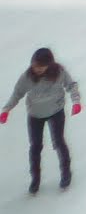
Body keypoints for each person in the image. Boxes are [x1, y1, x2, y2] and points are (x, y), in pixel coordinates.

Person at [2, 48, 81, 194]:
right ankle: (35, 179)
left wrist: (76, 101)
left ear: (49, 65)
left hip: (56, 111)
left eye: (40, 66)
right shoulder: (27, 77)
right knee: (35, 147)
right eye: (34, 65)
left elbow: (71, 85)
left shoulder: (59, 73)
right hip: (35, 115)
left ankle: (66, 173)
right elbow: (17, 93)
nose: (36, 68)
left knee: (58, 141)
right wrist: (6, 109)